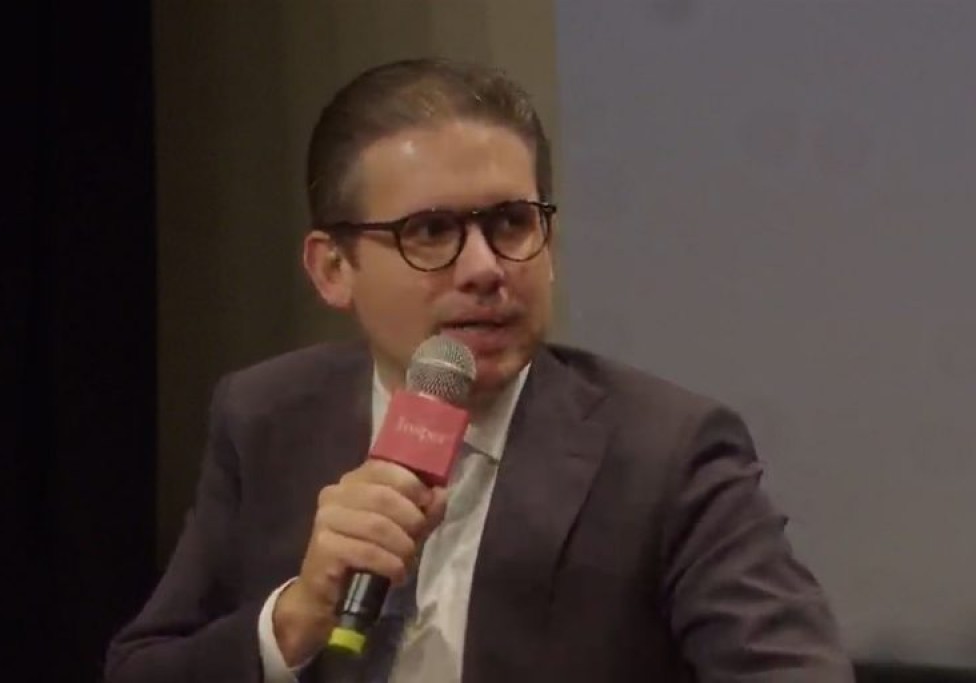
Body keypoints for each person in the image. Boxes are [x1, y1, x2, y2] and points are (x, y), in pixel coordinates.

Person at [105, 58, 853, 682]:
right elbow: (141, 668)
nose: (486, 269)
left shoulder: (666, 454)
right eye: (431, 231)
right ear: (332, 268)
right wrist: (294, 617)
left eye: (511, 223)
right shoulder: (266, 416)